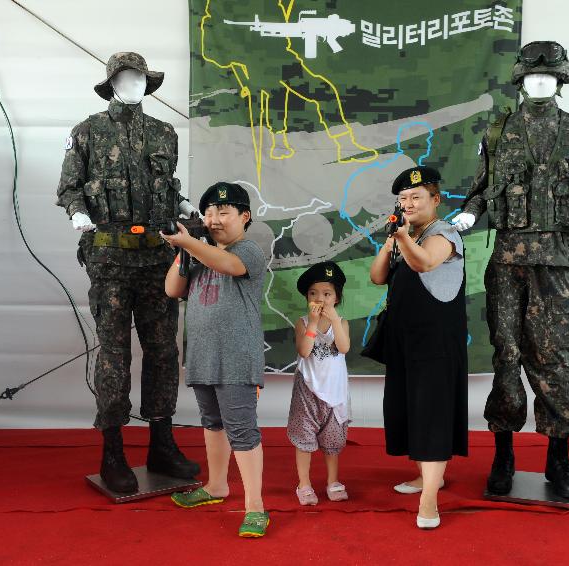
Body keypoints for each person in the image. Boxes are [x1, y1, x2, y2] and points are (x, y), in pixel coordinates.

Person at [451, 41, 569, 500]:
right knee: (506, 357)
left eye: (547, 77)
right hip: (507, 265)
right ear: (519, 80)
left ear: (561, 80)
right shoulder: (499, 131)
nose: (539, 82)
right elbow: (482, 190)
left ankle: (558, 459)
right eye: (530, 77)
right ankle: (503, 454)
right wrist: (470, 213)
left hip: (560, 264)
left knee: (553, 361)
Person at [55, 52, 199, 493]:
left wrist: (184, 207)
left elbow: (167, 187)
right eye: (125, 76)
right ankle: (113, 451)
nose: (134, 82)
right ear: (111, 82)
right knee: (114, 355)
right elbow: (68, 187)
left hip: (158, 259)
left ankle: (161, 443)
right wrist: (79, 213)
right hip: (111, 260)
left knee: (162, 353)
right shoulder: (88, 131)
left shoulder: (163, 133)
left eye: (140, 76)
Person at [162, 182, 270, 538]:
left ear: (244, 217)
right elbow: (172, 290)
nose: (214, 219)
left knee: (241, 429)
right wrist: (185, 250)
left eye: (224, 212)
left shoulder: (249, 250)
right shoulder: (199, 251)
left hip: (237, 358)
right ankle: (216, 486)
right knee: (212, 422)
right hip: (203, 356)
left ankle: (255, 506)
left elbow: (228, 264)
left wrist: (189, 242)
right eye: (209, 213)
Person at [369, 166, 469, 529]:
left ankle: (430, 500)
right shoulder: (406, 235)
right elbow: (377, 276)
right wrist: (392, 239)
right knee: (409, 410)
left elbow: (425, 263)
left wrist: (403, 238)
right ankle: (429, 476)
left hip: (435, 343)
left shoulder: (446, 235)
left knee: (431, 415)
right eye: (403, 199)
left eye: (416, 197)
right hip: (405, 340)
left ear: (435, 199)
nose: (408, 203)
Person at [288, 261, 351, 506]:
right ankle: (304, 484)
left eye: (327, 294)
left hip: (335, 393)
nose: (320, 299)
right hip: (307, 389)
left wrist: (334, 320)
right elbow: (304, 351)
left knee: (332, 441)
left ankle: (333, 481)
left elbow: (344, 347)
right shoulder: (303, 323)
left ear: (336, 298)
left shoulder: (342, 323)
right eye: (313, 294)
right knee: (304, 438)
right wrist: (313, 324)